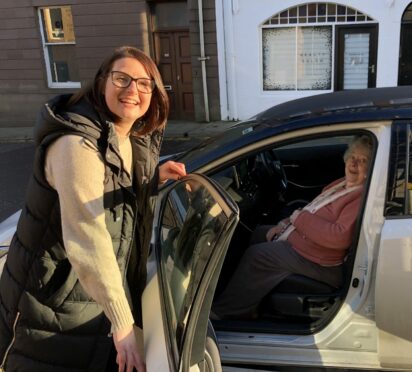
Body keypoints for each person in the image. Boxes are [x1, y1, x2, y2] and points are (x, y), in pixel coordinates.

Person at [0, 46, 187, 372]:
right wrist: (122, 321)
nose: (133, 90)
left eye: (144, 84)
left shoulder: (123, 136)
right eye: (122, 78)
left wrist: (152, 179)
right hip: (51, 308)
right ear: (102, 82)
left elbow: (109, 187)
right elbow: (86, 232)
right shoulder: (76, 144)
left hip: (85, 297)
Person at [212, 135, 372, 320]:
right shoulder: (341, 184)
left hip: (322, 262)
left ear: (370, 168)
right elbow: (312, 208)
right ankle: (249, 301)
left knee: (257, 256)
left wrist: (298, 219)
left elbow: (339, 237)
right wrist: (285, 224)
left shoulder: (358, 196)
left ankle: (227, 311)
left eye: (363, 160)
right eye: (352, 156)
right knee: (259, 233)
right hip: (307, 244)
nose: (354, 163)